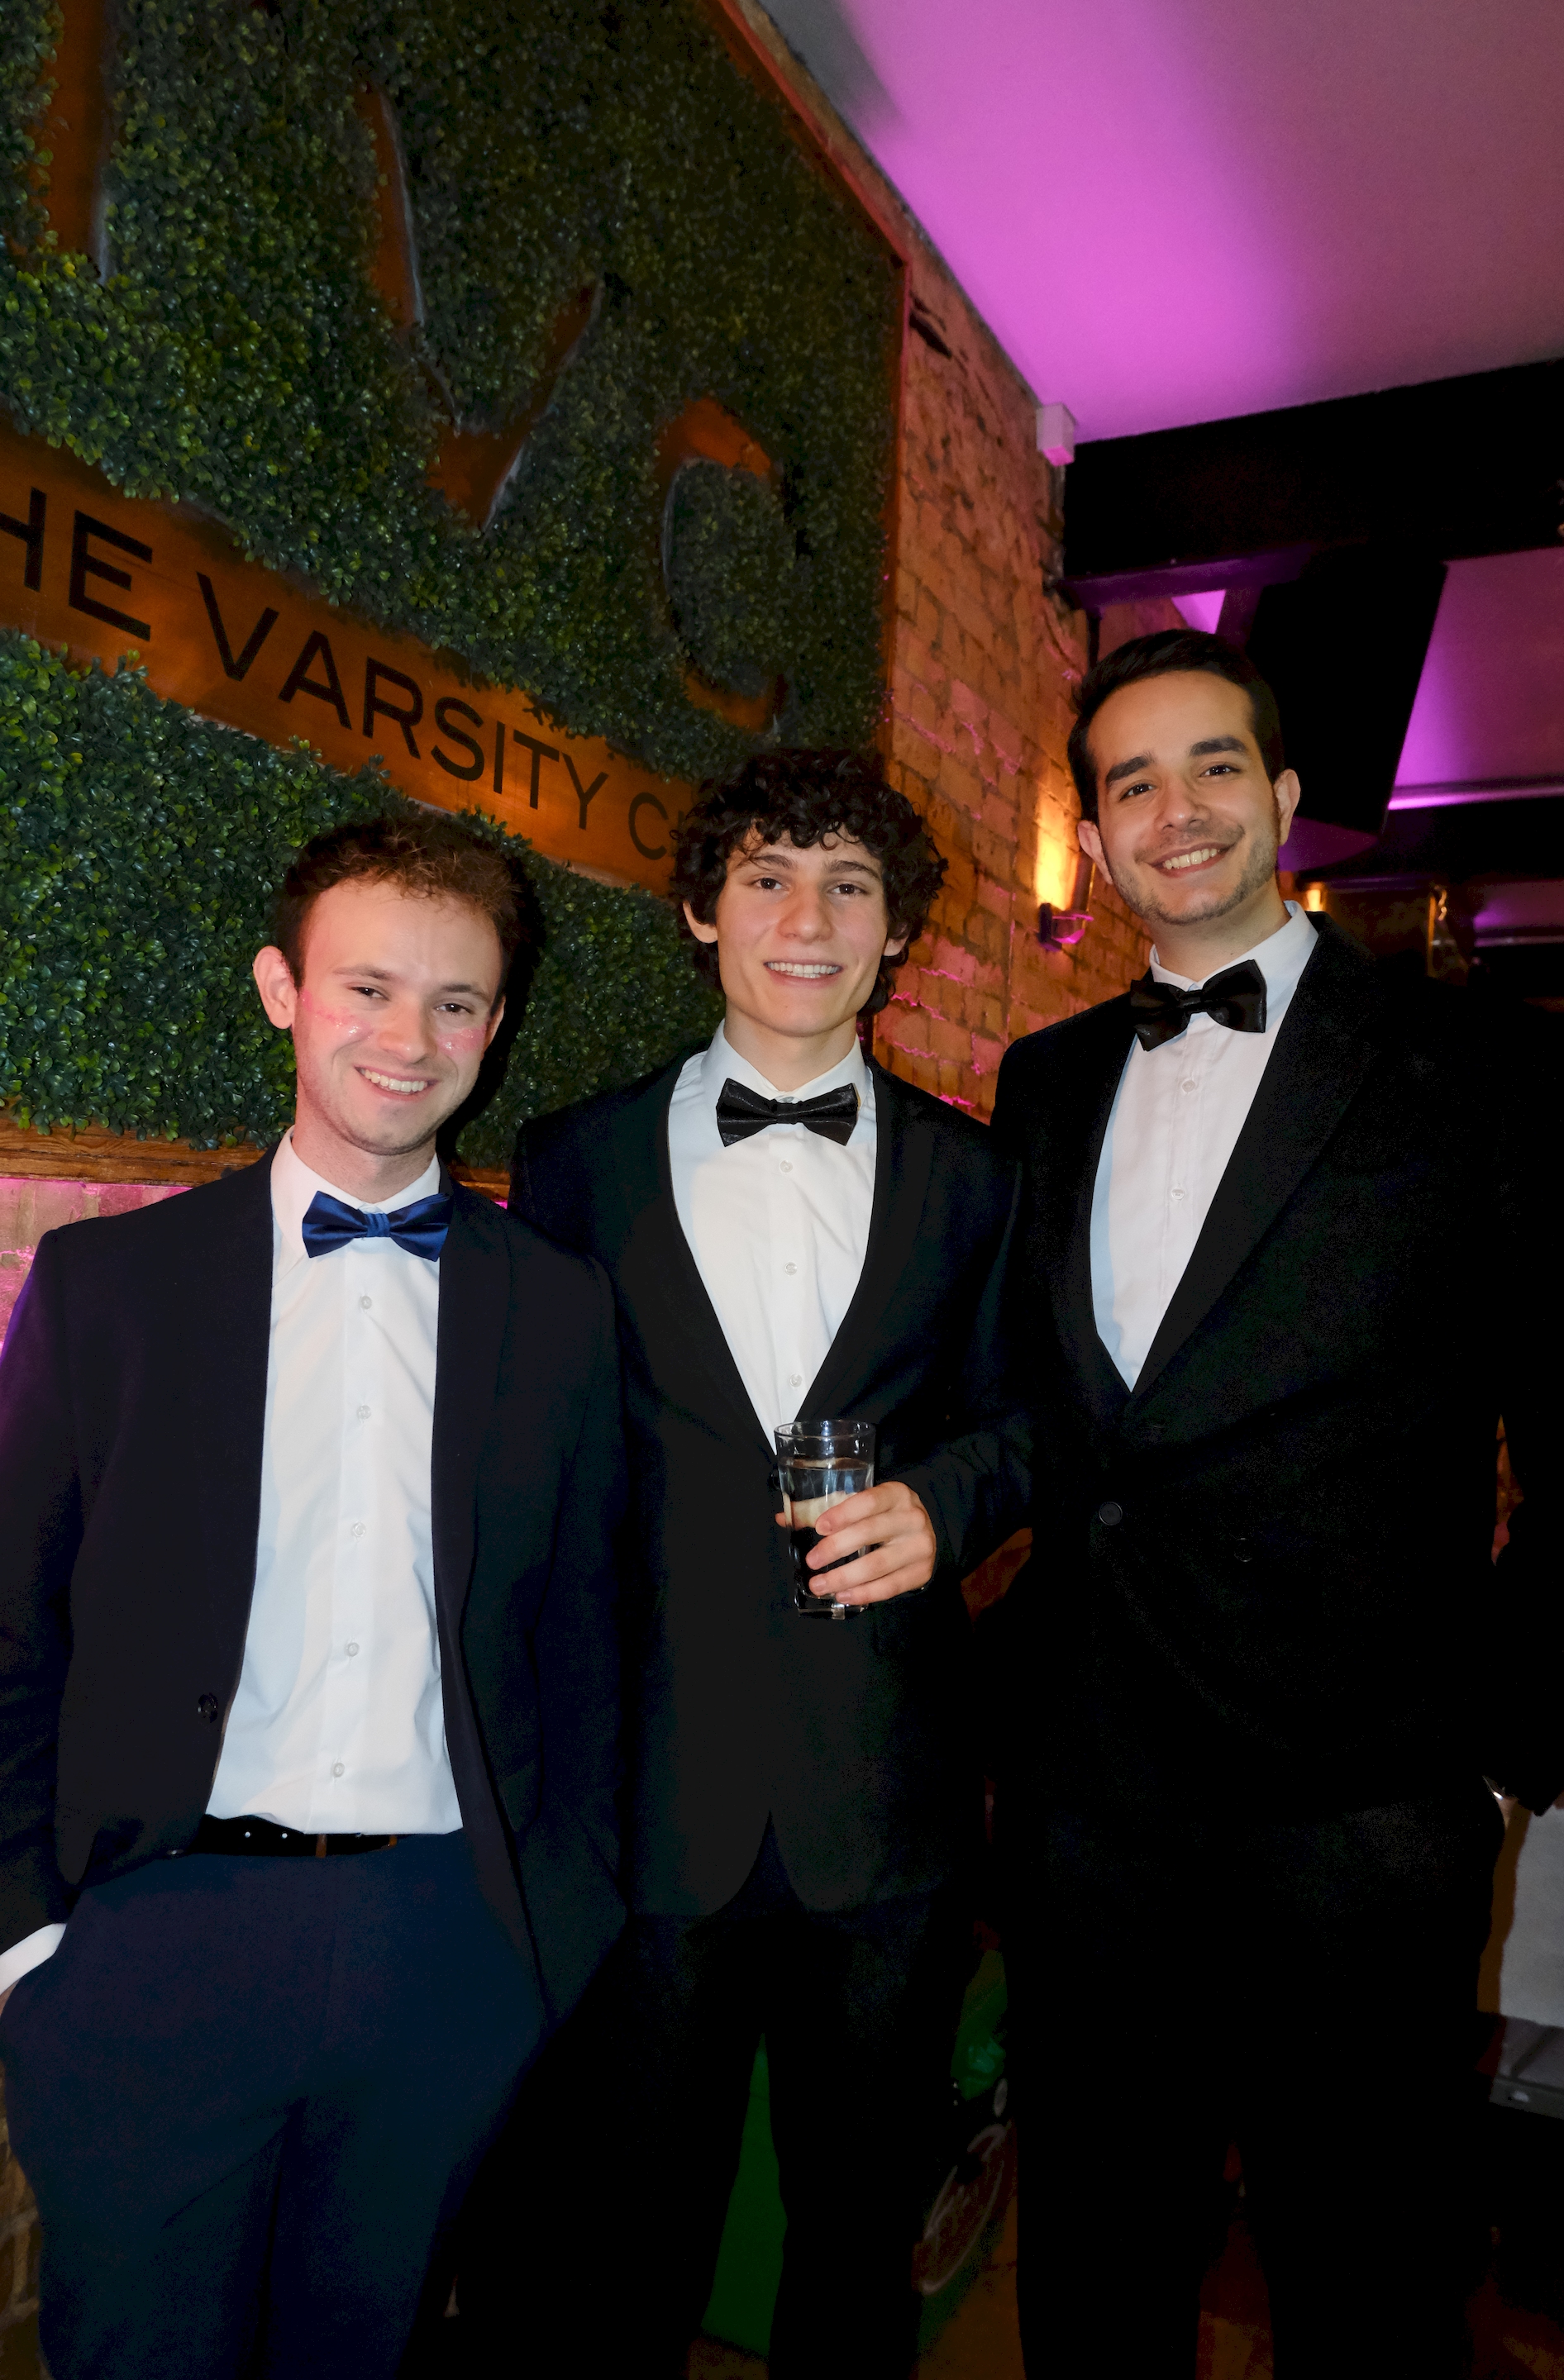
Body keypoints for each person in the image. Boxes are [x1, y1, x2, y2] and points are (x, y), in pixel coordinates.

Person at [922, 628, 1564, 2376]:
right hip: (1087, 1806)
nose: (1177, 808)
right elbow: (1047, 1411)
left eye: (1213, 764)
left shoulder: (1480, 1067)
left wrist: (1499, 1750)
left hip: (1357, 1813)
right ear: (1095, 836)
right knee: (1099, 2269)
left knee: (1366, 2282)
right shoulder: (1045, 1080)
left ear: (1283, 797)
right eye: (1130, 781)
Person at [0, 810, 626, 2380]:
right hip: (153, 1932)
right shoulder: (109, 1287)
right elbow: (12, 1624)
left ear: (496, 1024)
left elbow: (589, 1644)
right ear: (282, 988)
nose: (408, 1040)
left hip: (441, 1941)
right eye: (367, 988)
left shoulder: (559, 1311)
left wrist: (545, 1939)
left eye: (455, 1002)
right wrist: (27, 1944)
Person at [492, 749, 1018, 2378]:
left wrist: (950, 1501)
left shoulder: (977, 1178)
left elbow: (1026, 1422)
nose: (808, 917)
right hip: (649, 1807)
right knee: (629, 2244)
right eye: (769, 877)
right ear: (701, 911)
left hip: (890, 1807)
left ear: (895, 931)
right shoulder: (571, 1161)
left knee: (856, 2246)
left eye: (850, 885)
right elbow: (532, 1461)